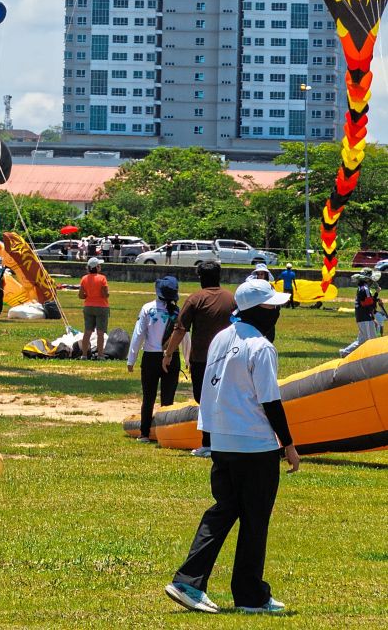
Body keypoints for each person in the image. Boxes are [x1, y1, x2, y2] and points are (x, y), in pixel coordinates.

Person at [165, 278, 299, 615]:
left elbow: (211, 389)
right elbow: (270, 401)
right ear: (258, 310)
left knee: (223, 510)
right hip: (254, 443)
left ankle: (189, 581)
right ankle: (249, 595)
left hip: (222, 440)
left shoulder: (220, 339)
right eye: (272, 307)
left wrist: (208, 435)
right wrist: (289, 445)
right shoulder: (262, 348)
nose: (277, 312)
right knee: (255, 519)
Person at [163, 260, 236, 458]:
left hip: (203, 359)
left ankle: (208, 442)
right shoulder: (231, 299)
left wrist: (168, 353)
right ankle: (223, 440)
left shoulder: (195, 299)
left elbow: (180, 330)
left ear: (201, 278)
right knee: (225, 399)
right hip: (229, 358)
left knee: (203, 399)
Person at [127, 276, 184, 442]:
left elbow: (138, 334)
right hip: (171, 356)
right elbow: (184, 337)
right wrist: (188, 358)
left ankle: (145, 433)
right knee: (168, 399)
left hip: (151, 357)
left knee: (148, 396)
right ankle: (165, 434)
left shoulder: (148, 309)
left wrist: (131, 359)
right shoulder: (178, 312)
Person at [78, 256, 110, 359]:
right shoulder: (102, 278)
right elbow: (105, 294)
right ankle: (100, 355)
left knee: (87, 331)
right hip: (101, 306)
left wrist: (88, 295)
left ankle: (84, 355)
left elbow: (81, 295)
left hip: (88, 306)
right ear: (97, 267)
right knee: (100, 333)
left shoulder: (84, 278)